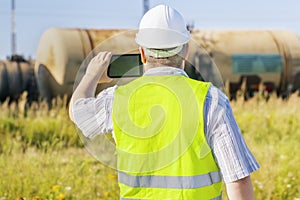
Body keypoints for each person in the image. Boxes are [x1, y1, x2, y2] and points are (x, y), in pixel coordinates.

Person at [69, 4, 259, 200]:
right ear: (185, 51)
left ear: (142, 54)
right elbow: (238, 179)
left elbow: (77, 113)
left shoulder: (116, 99)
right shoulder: (211, 100)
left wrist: (91, 75)